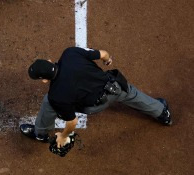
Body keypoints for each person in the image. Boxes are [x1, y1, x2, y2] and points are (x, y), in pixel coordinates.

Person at [19, 47, 172, 147]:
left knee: (49, 103)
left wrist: (64, 136)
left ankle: (41, 134)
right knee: (131, 93)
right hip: (115, 88)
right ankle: (163, 114)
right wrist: (107, 60)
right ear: (49, 61)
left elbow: (72, 122)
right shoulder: (70, 53)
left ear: (44, 80)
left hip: (93, 106)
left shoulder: (56, 95)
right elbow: (104, 54)